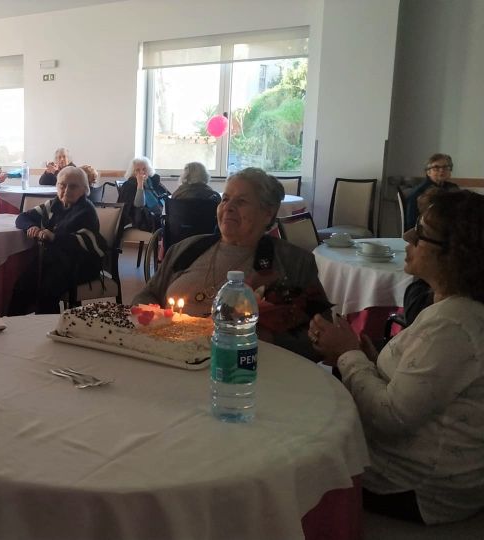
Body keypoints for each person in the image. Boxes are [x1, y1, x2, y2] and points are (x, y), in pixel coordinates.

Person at [309, 190, 484, 525]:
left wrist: (347, 354)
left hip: (417, 486)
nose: (407, 237)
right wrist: (366, 357)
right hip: (425, 471)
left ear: (455, 254)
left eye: (420, 232)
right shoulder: (452, 309)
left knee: (293, 460)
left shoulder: (454, 325)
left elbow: (391, 418)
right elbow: (421, 386)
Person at [134, 167, 330, 359]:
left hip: (242, 368)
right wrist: (153, 319)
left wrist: (269, 340)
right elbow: (147, 294)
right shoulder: (186, 249)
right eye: (225, 199)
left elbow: (321, 336)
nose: (228, 207)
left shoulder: (293, 262)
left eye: (241, 201)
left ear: (267, 213)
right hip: (169, 357)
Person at [9, 166, 106, 314]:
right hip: (54, 260)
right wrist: (32, 226)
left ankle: (49, 327)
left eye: (73, 186)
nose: (66, 191)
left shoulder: (86, 210)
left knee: (46, 292)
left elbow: (84, 242)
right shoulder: (54, 204)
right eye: (62, 185)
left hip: (80, 264)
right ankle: (16, 325)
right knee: (21, 285)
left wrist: (54, 237)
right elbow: (23, 218)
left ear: (84, 189)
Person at [404, 153, 458, 231]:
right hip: (427, 232)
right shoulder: (419, 192)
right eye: (436, 167)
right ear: (428, 172)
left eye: (445, 167)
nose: (442, 170)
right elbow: (411, 224)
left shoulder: (453, 188)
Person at [117, 156, 169, 232]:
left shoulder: (153, 181)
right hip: (145, 219)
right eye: (137, 170)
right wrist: (140, 184)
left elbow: (166, 195)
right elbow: (139, 204)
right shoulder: (129, 185)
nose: (141, 172)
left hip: (161, 213)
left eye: (144, 169)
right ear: (133, 172)